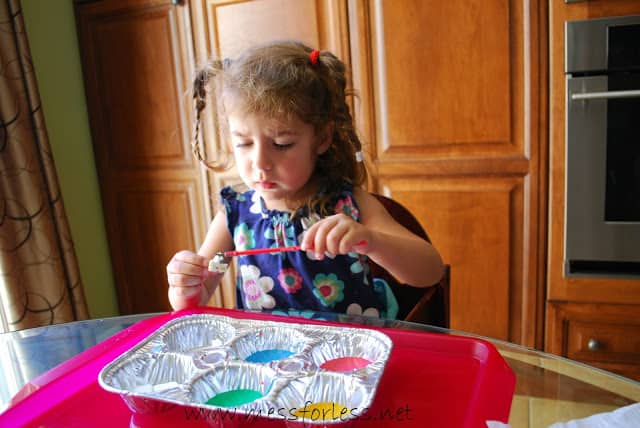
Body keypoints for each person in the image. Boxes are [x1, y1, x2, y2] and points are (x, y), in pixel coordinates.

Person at [166, 40, 444, 318]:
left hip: (349, 353)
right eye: (244, 143)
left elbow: (429, 271)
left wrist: (371, 241)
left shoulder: (348, 203)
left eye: (282, 144)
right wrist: (185, 287)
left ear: (322, 138)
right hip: (269, 356)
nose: (260, 162)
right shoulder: (234, 214)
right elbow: (195, 300)